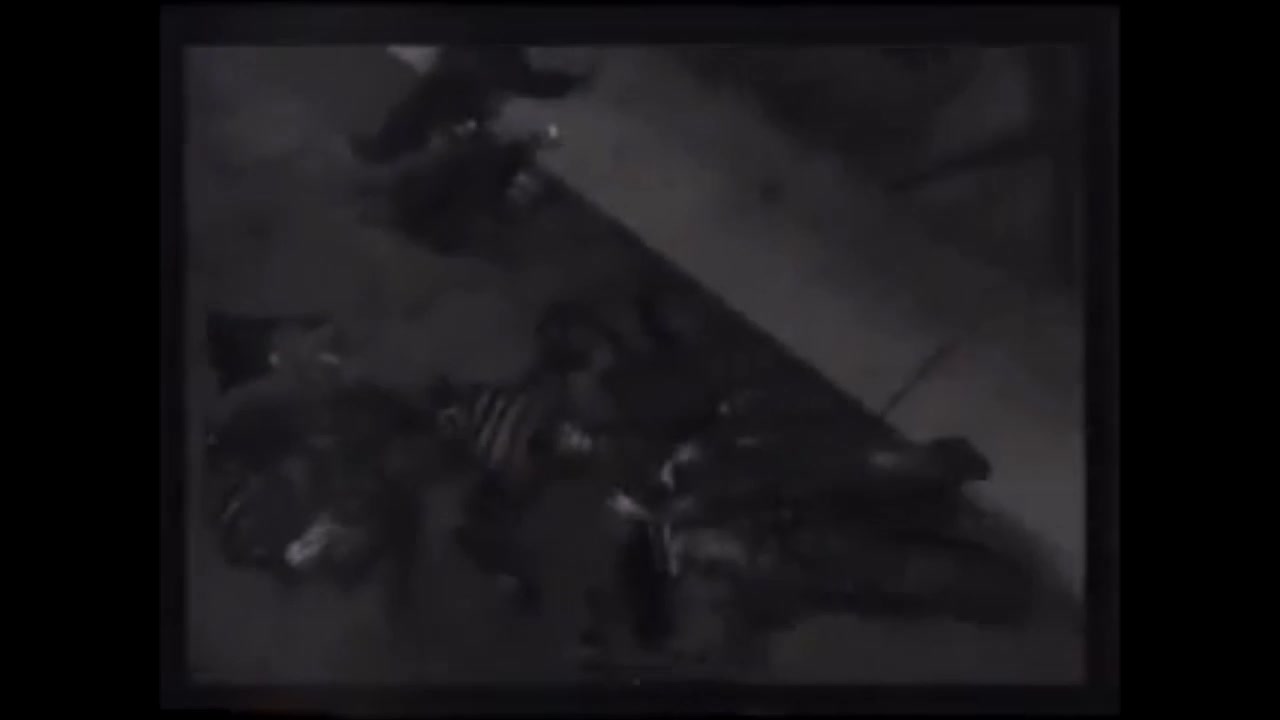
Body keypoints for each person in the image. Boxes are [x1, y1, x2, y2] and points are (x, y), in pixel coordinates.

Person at [351, 46, 591, 165]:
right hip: (467, 79)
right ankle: (394, 145)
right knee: (430, 102)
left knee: (430, 103)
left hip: (467, 80)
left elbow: (520, 79)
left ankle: (394, 146)